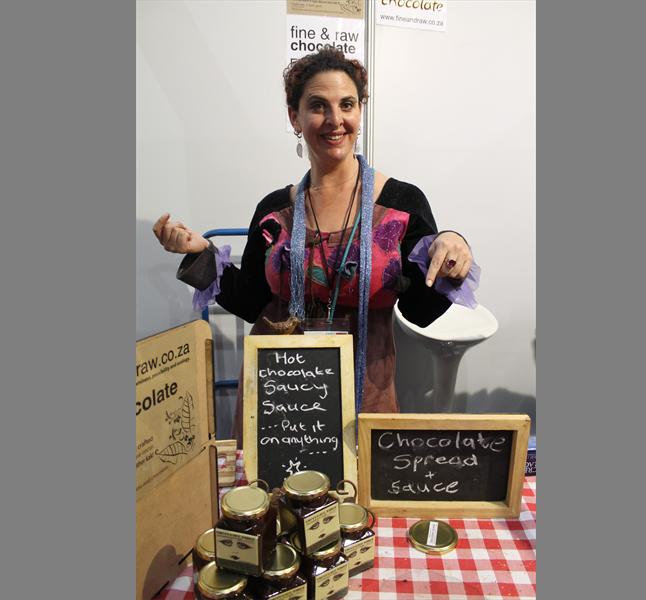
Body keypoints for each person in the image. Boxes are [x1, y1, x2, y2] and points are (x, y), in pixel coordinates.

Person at [153, 48, 480, 444]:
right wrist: (198, 253)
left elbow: (420, 311)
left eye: (347, 104)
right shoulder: (275, 211)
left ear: (360, 111)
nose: (335, 119)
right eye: (318, 106)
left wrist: (453, 249)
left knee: (356, 482)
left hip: (364, 392)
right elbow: (252, 302)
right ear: (295, 117)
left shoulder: (402, 204)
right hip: (280, 391)